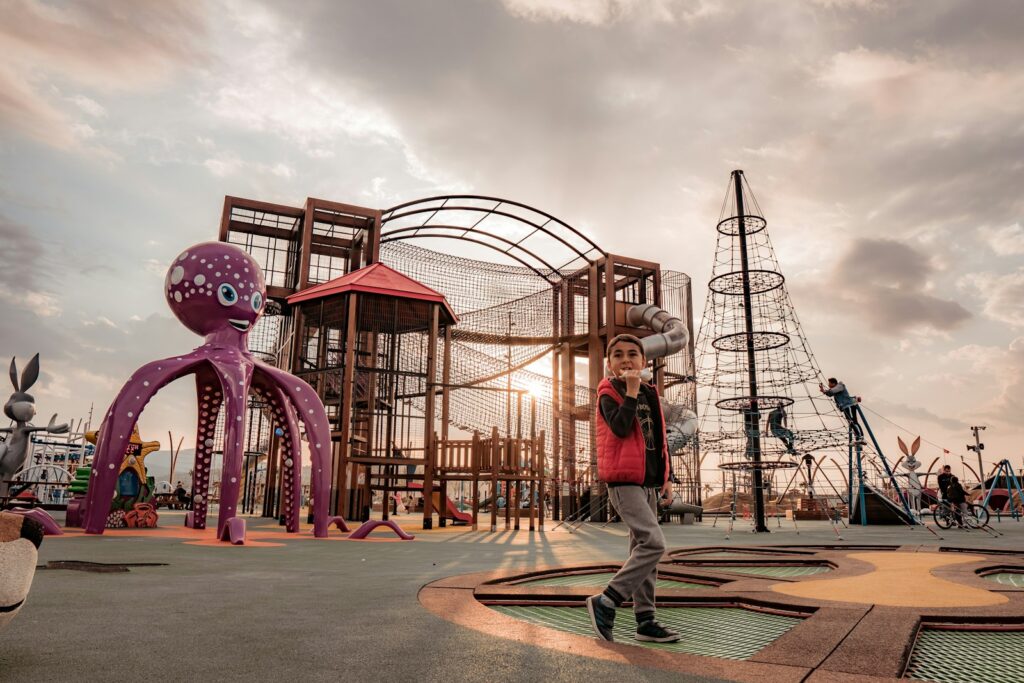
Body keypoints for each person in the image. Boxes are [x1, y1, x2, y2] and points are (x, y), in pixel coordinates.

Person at [586, 334, 680, 644]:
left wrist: (666, 477)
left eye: (632, 354)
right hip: (624, 481)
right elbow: (620, 427)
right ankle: (608, 600)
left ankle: (645, 619)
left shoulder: (651, 394)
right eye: (618, 355)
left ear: (643, 361)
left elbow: (660, 442)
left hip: (648, 483)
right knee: (654, 544)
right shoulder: (608, 392)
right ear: (609, 365)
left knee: (643, 550)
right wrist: (629, 392)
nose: (626, 359)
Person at [819, 378, 864, 444]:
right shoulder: (836, 388)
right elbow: (829, 394)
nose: (828, 385)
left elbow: (832, 391)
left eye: (829, 383)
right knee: (851, 422)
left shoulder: (840, 386)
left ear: (833, 383)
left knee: (853, 421)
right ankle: (858, 437)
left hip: (849, 405)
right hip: (847, 405)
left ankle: (860, 437)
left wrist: (825, 391)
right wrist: (823, 390)